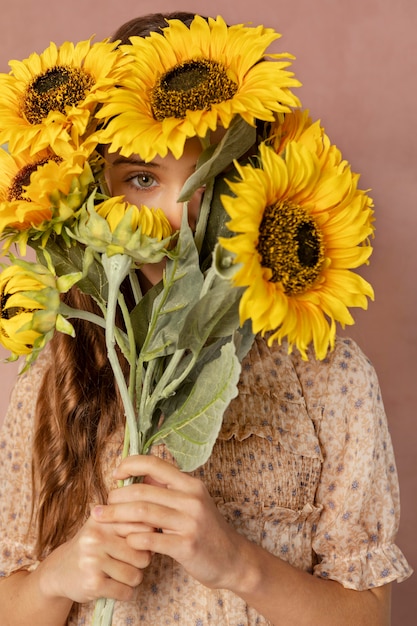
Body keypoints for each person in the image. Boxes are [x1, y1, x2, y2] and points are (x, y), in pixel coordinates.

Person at [0, 11, 412, 626]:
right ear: (91, 197)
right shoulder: (55, 378)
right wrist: (59, 577)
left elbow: (369, 615)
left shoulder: (329, 380)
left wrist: (238, 564)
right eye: (141, 179)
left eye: (211, 177)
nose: (180, 216)